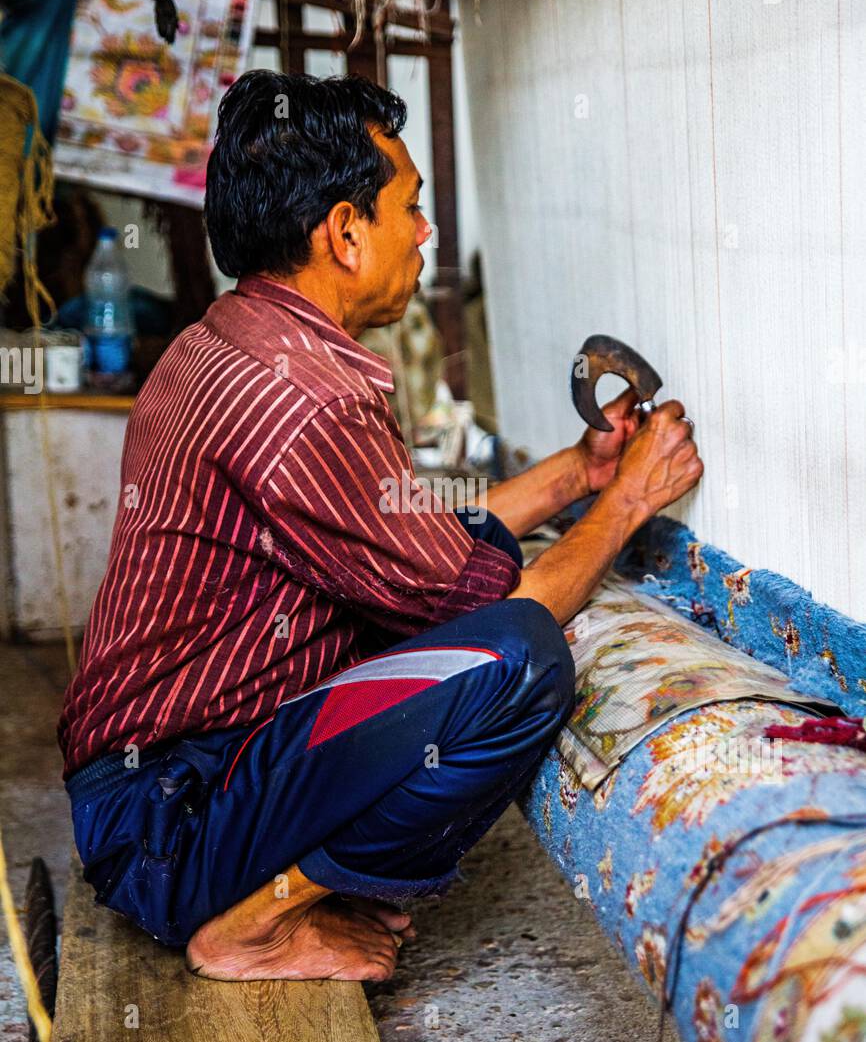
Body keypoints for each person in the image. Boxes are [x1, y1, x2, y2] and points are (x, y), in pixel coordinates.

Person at [58, 69, 702, 982]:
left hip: (156, 785)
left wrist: (579, 474)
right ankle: (251, 925)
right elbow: (504, 604)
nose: (425, 233)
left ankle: (263, 877)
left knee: (468, 623)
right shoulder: (302, 398)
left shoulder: (229, 341)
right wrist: (631, 500)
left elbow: (413, 540)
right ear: (345, 234)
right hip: (170, 816)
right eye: (411, 207)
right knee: (517, 661)